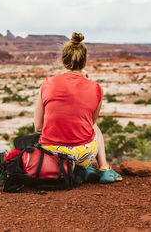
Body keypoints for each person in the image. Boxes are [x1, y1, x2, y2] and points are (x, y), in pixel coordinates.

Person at [33, 32, 122, 184]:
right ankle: (104, 169)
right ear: (85, 61)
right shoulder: (96, 88)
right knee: (96, 128)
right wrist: (87, 81)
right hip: (83, 153)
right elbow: (90, 123)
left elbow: (38, 127)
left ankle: (77, 168)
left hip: (52, 154)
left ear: (63, 60)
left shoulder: (47, 83)